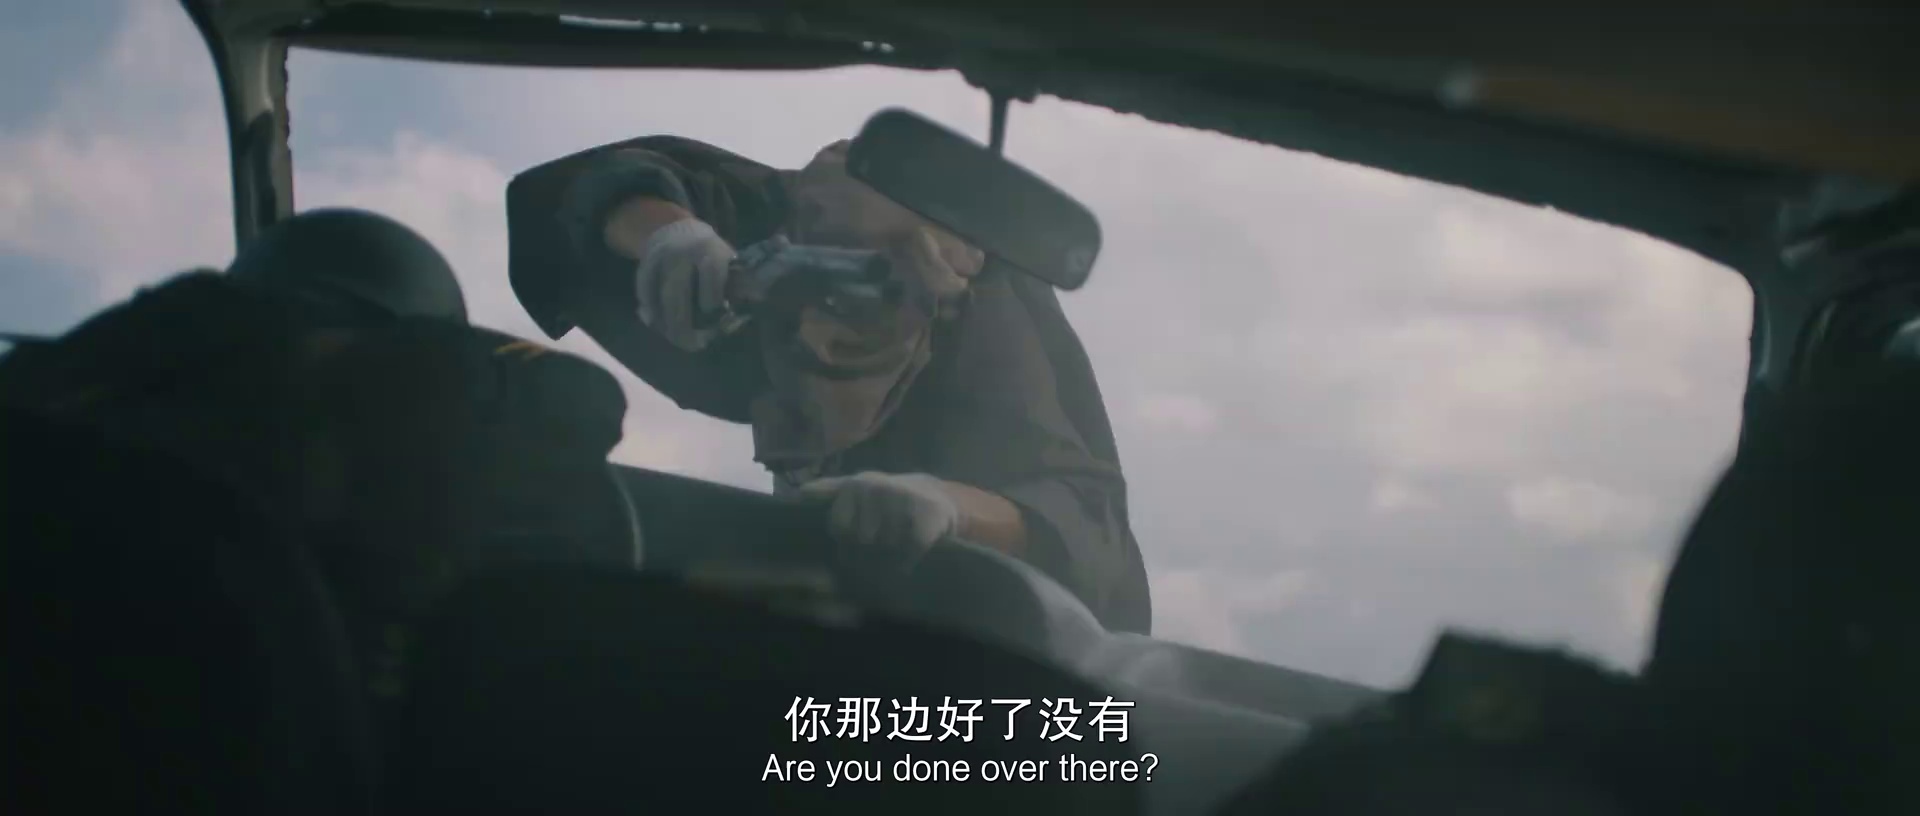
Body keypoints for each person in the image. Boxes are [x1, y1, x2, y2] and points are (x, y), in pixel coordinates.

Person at [507, 135, 1153, 633]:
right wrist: (670, 236)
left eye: (878, 289)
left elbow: (1085, 522)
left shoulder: (989, 327)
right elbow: (596, 183)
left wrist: (948, 508)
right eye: (818, 278)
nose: (829, 329)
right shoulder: (772, 237)